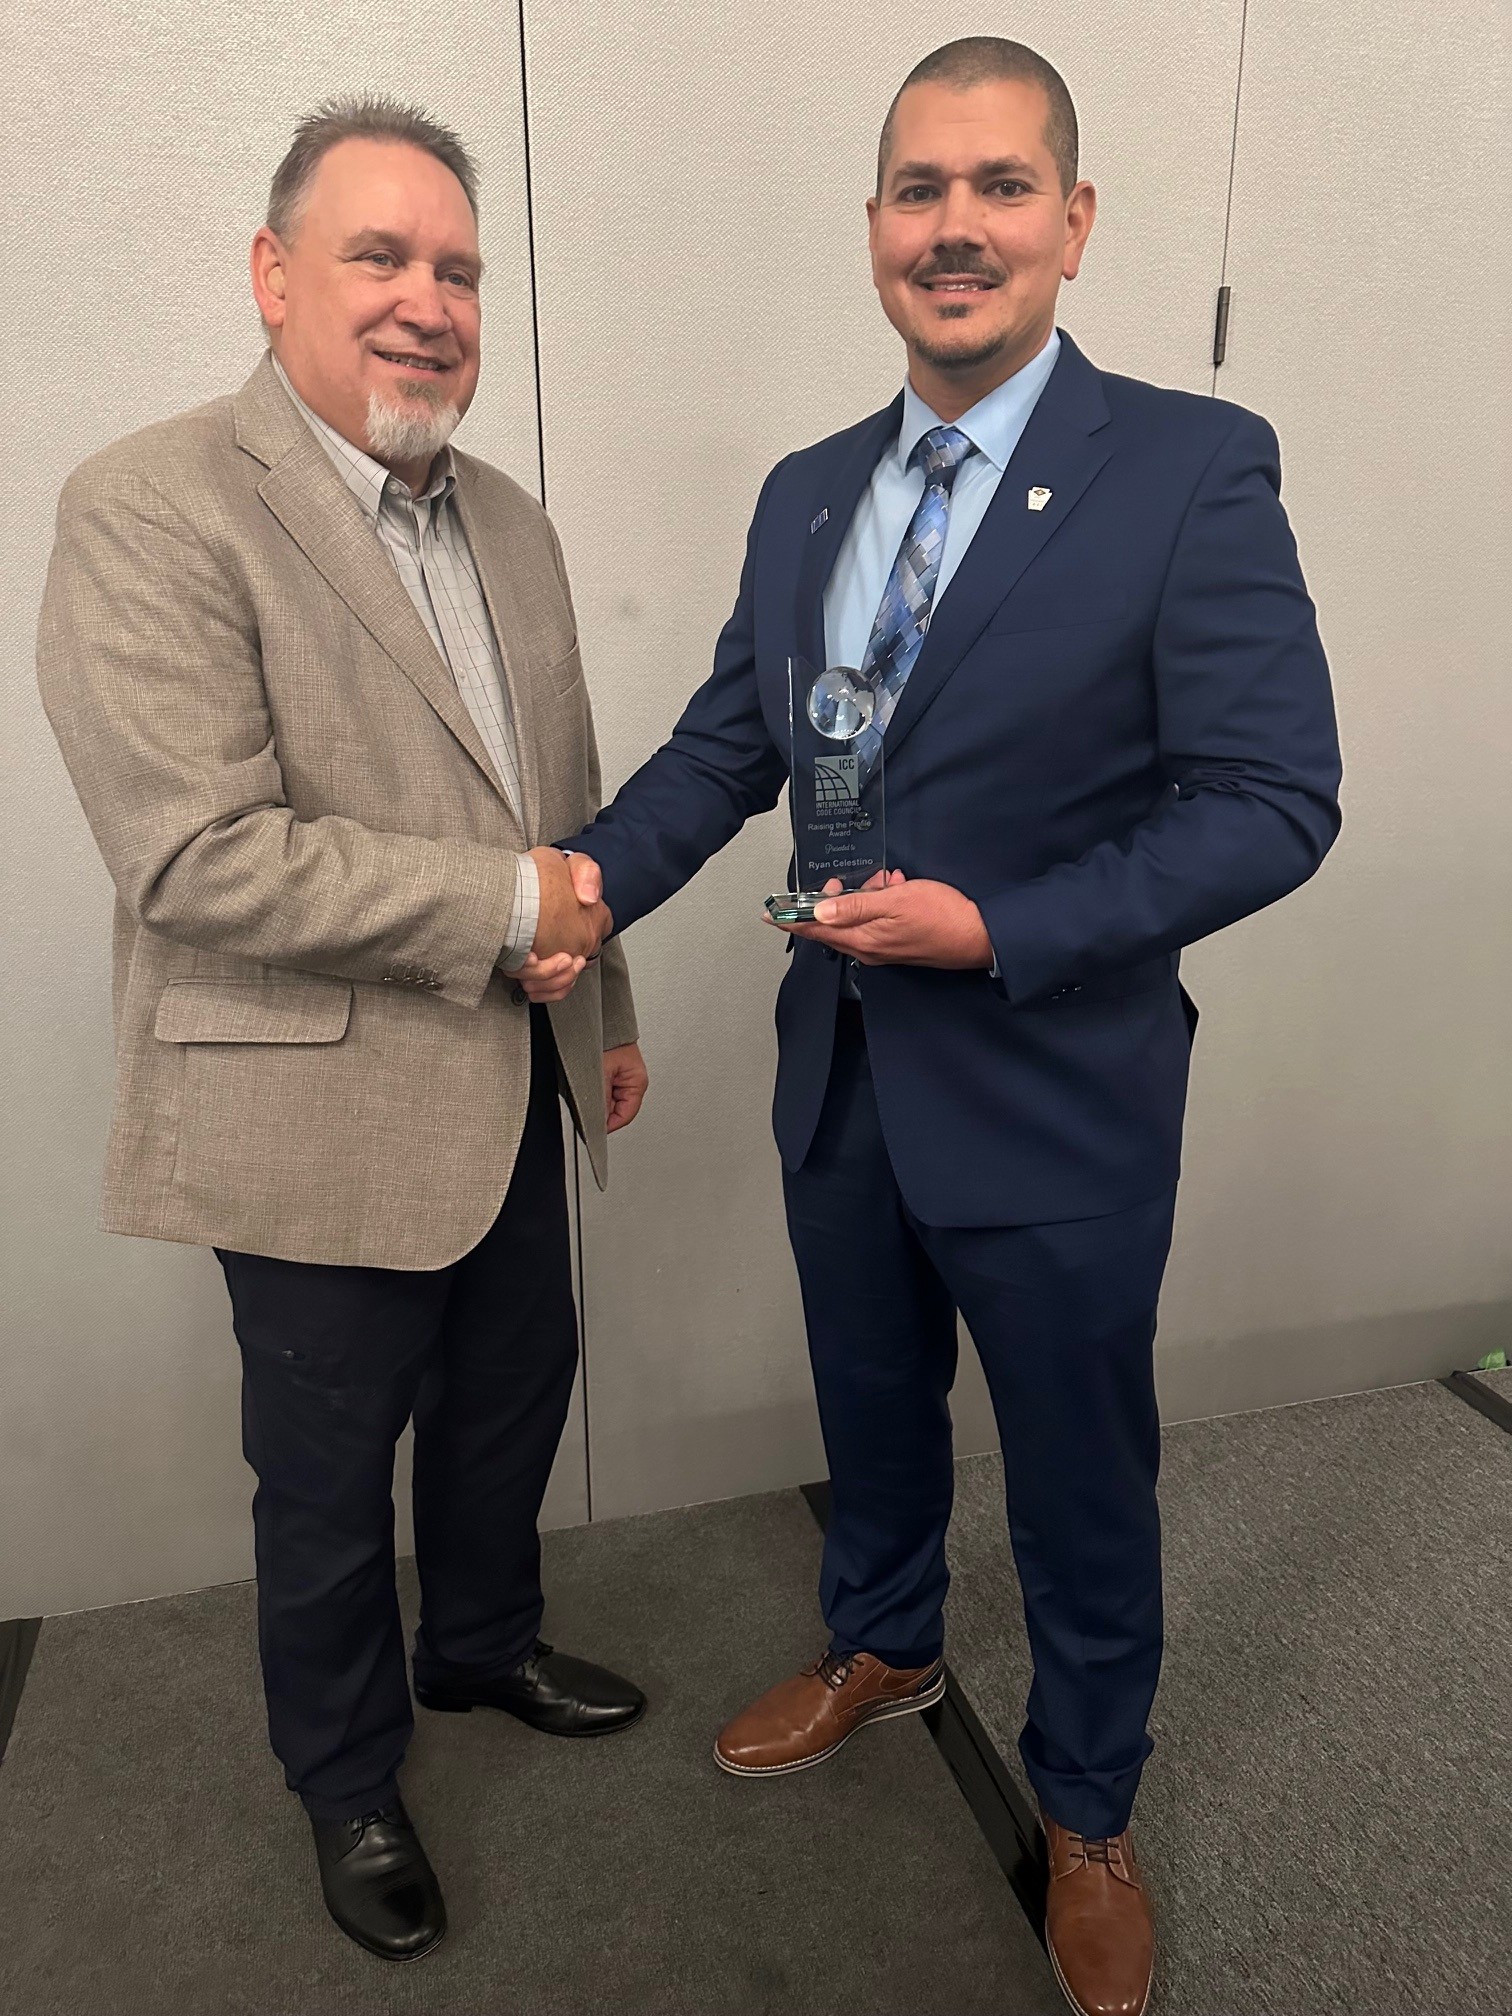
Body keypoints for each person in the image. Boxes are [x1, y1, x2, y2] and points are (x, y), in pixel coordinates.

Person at [562, 38, 1341, 2016]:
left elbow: (1272, 799)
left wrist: (1000, 929)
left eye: (1002, 187)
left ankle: (1087, 1806)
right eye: (921, 189)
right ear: (875, 230)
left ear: (1074, 222)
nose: (958, 227)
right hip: (842, 1076)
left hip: (1056, 1089)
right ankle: (887, 1640)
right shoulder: (809, 494)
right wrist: (576, 887)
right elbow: (727, 748)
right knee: (872, 1406)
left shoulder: (1190, 468)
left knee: (1079, 1477)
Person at [36, 95, 644, 1965]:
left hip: (515, 1075)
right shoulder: (149, 503)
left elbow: (561, 803)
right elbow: (195, 854)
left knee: (513, 1393)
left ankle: (480, 1645)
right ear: (272, 273)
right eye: (379, 254)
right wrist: (508, 914)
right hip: (307, 1108)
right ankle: (349, 1774)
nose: (426, 300)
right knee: (322, 1479)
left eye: (457, 267)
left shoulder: (510, 520)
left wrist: (604, 1010)